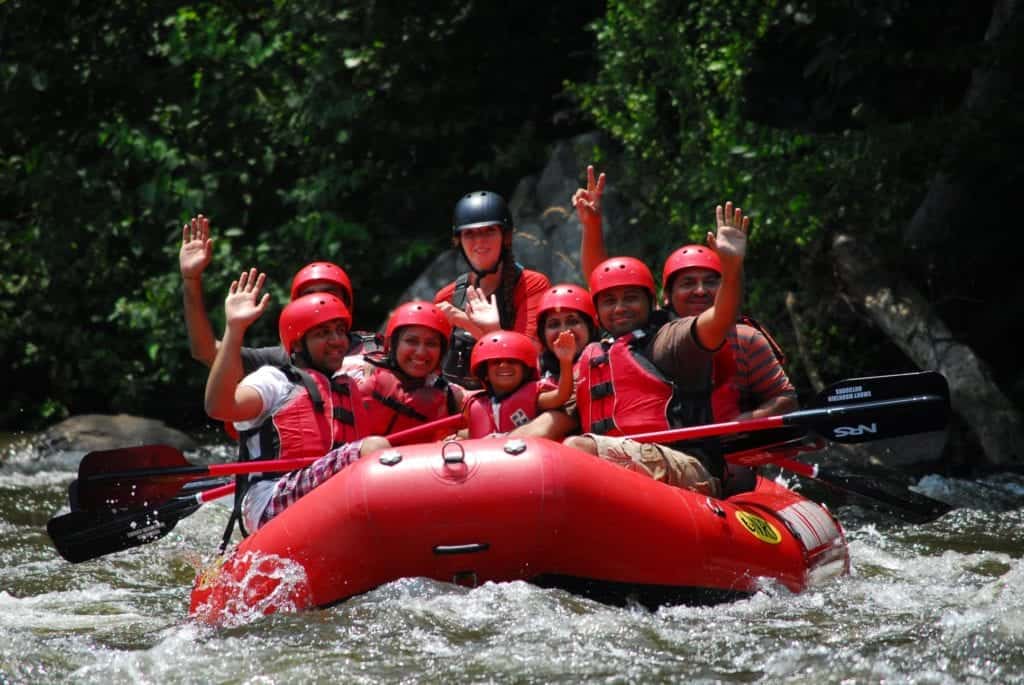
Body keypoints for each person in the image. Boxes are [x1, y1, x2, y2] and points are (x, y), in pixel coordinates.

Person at [560, 201, 752, 498]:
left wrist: (731, 269)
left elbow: (719, 319)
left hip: (687, 467)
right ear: (597, 312)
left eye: (631, 299)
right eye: (610, 302)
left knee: (577, 449)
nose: (621, 308)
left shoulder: (668, 340)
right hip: (618, 473)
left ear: (651, 304)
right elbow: (555, 417)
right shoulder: (593, 356)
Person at [574, 166, 796, 421]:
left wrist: (737, 427)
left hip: (731, 448)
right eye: (688, 283)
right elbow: (605, 284)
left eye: (711, 282)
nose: (700, 291)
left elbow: (786, 400)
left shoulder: (746, 339)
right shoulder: (654, 335)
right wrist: (591, 225)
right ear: (665, 296)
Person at [203, 270, 389, 535]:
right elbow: (218, 406)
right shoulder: (275, 380)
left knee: (380, 454)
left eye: (340, 331)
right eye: (323, 333)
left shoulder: (346, 388)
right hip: (271, 501)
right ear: (299, 344)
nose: (337, 341)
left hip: (322, 495)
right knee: (373, 448)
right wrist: (235, 329)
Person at [179, 214, 382, 376]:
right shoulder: (285, 359)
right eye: (310, 296)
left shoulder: (378, 349)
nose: (320, 304)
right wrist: (191, 280)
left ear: (347, 304)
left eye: (330, 294)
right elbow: (205, 352)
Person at [434, 191, 551, 388]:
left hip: (515, 405)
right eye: (469, 234)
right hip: (459, 406)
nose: (479, 242)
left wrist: (466, 323)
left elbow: (529, 359)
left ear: (505, 238)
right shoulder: (447, 297)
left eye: (488, 231)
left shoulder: (531, 284)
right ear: (459, 241)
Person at [353, 301, 467, 438]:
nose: (421, 352)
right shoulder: (356, 373)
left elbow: (494, 405)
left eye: (431, 344)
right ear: (391, 344)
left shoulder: (452, 396)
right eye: (411, 341)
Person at [462, 330, 575, 438]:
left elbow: (561, 395)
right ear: (485, 373)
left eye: (512, 361)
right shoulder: (476, 404)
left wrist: (565, 361)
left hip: (528, 455)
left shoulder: (533, 396)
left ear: (525, 371)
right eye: (496, 362)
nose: (503, 365)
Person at [535, 284, 598, 381]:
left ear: (590, 327)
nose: (563, 331)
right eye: (554, 324)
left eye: (572, 322)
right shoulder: (533, 375)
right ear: (542, 334)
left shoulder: (610, 362)